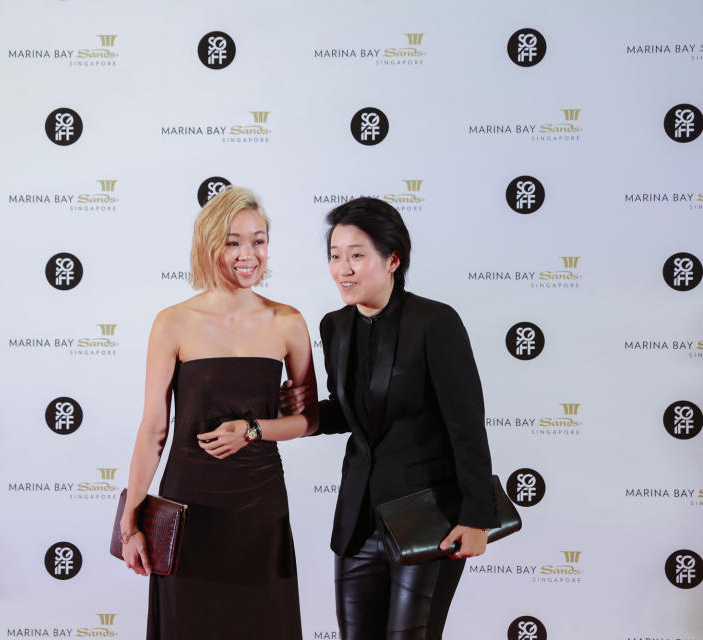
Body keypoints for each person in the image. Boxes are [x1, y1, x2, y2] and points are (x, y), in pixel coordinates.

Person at [282, 197, 499, 639]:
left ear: (392, 259)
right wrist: (294, 413)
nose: (344, 268)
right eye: (335, 256)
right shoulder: (334, 326)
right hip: (358, 524)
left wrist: (477, 517)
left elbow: (467, 425)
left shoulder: (435, 322)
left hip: (429, 519)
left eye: (357, 255)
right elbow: (351, 412)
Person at [120, 186, 318, 640]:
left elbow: (309, 420)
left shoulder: (287, 321)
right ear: (209, 244)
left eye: (259, 240)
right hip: (190, 506)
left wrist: (253, 430)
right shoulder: (173, 322)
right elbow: (153, 428)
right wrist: (131, 515)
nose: (249, 254)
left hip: (260, 508)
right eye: (233, 242)